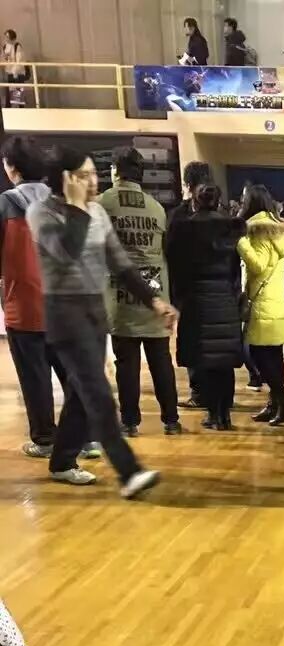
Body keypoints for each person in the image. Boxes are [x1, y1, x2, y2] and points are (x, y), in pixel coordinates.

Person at [27, 144, 176, 496]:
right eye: (84, 175)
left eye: (94, 173)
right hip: (65, 313)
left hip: (95, 310)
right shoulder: (42, 212)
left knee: (82, 393)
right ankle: (129, 472)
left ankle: (62, 461)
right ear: (64, 178)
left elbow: (120, 263)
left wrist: (153, 300)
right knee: (98, 392)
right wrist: (75, 206)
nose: (93, 181)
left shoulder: (97, 212)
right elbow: (66, 253)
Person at [99, 147, 182, 438]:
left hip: (120, 294)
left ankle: (130, 422)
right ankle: (171, 420)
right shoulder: (156, 208)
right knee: (161, 360)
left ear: (114, 170)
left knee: (127, 363)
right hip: (156, 292)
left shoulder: (102, 204)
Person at [0, 136, 67, 460]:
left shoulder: (5, 205)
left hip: (25, 307)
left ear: (12, 167)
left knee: (36, 379)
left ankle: (45, 440)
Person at [167, 184, 245, 430]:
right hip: (225, 298)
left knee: (204, 360)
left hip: (196, 299)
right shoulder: (232, 228)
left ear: (195, 201)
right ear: (218, 201)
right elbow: (237, 269)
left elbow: (175, 267)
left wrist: (177, 300)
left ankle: (212, 414)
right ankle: (225, 414)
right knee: (223, 359)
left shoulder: (184, 229)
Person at [237, 185, 284, 427]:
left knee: (258, 355)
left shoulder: (256, 230)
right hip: (277, 300)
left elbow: (259, 265)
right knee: (273, 356)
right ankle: (276, 404)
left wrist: (242, 243)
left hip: (262, 303)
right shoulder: (278, 229)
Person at [167, 160, 214, 407]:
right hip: (217, 290)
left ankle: (199, 394)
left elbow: (170, 253)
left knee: (193, 341)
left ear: (186, 184)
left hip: (188, 289)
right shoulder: (221, 213)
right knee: (214, 342)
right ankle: (218, 396)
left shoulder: (178, 216)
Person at [2, 29, 27, 106]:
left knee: (17, 96)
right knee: (9, 95)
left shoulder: (17, 46)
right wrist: (5, 57)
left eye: (7, 37)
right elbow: (4, 59)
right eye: (5, 37)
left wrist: (15, 73)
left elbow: (19, 61)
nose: (6, 39)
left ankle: (19, 109)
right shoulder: (5, 46)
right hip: (9, 72)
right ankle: (10, 108)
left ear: (12, 37)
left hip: (18, 73)